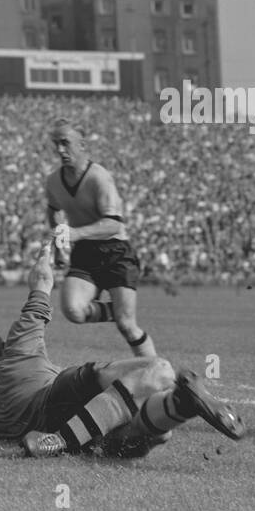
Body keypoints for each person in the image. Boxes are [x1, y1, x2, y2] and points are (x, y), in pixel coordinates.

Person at [0, 242, 245, 458]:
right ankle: (59, 441)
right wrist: (45, 251)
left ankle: (183, 404)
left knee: (154, 430)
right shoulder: (18, 349)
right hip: (58, 394)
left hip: (84, 433)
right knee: (160, 370)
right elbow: (41, 282)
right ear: (2, 344)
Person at [45, 118, 158, 358]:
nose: (60, 150)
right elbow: (53, 207)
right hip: (85, 253)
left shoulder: (99, 177)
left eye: (65, 143)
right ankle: (119, 311)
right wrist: (58, 246)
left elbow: (113, 224)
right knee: (73, 310)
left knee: (127, 326)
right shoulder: (53, 181)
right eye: (56, 144)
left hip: (116, 252)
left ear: (82, 144)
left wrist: (74, 233)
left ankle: (159, 376)